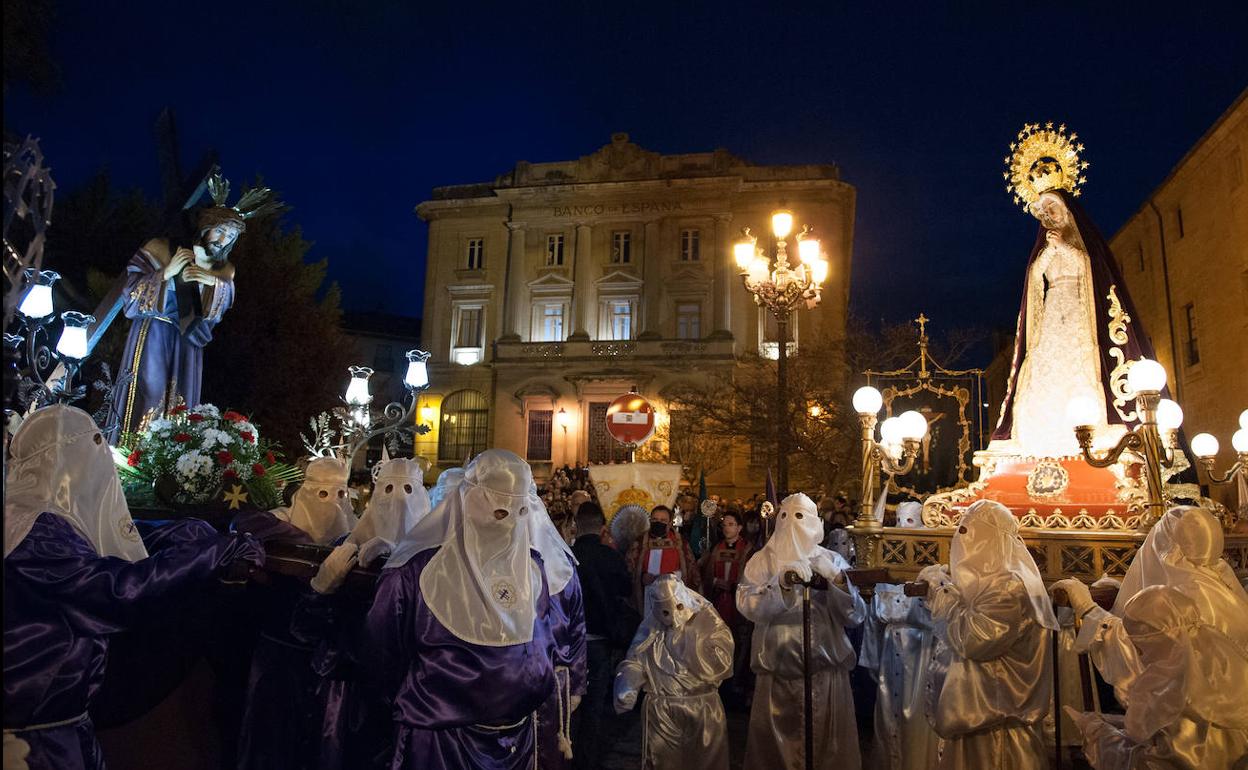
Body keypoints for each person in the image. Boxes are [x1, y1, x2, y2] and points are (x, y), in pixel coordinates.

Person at [3, 404, 264, 769]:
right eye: (95, 447)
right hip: (35, 743)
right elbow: (116, 591)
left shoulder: (28, 513)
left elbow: (114, 532)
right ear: (65, 459)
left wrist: (185, 531)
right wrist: (213, 553)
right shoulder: (39, 529)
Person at [315, 449, 561, 769]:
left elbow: (543, 639)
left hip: (516, 742)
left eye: (521, 510)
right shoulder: (413, 573)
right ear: (466, 501)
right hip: (438, 742)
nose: (510, 523)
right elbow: (380, 657)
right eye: (500, 511)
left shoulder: (534, 568)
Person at [991, 133, 1158, 458]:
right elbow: (1035, 277)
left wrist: (1062, 247)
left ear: (1066, 209)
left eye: (1053, 208)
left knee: (1081, 363)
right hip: (1053, 312)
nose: (1049, 215)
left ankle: (1096, 436)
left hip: (1080, 311)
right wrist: (1048, 254)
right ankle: (1044, 438)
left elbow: (1086, 267)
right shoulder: (1045, 247)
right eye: (1044, 211)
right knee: (1046, 365)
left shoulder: (1083, 244)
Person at [108, 173, 280, 440]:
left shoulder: (224, 270)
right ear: (205, 227)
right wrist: (167, 273)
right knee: (148, 390)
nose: (223, 241)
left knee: (180, 404)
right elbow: (129, 294)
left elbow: (217, 313)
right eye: (220, 231)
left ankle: (167, 458)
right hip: (154, 332)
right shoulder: (161, 248)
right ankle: (131, 448)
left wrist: (213, 283)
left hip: (188, 341)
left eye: (230, 237)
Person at [917, 499, 1057, 770]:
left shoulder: (1008, 587)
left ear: (985, 539)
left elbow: (974, 640)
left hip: (997, 727)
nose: (960, 540)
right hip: (977, 717)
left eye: (967, 532)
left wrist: (942, 593)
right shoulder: (995, 581)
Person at [736, 492, 865, 770]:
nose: (793, 524)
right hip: (778, 672)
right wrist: (779, 584)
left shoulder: (831, 559)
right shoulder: (763, 560)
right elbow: (747, 603)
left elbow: (855, 615)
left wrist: (838, 582)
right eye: (786, 516)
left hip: (825, 672)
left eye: (801, 517)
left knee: (827, 750)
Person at [1059, 584, 1248, 769]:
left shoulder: (1168, 688)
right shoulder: (1228, 666)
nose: (1140, 654)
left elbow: (1152, 761)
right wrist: (1112, 721)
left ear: (1157, 641)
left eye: (1140, 646)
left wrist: (1097, 733)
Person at [614, 575, 733, 770]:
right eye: (665, 613)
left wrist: (688, 645)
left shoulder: (708, 619)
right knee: (664, 762)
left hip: (702, 706)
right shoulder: (651, 626)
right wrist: (627, 684)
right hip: (663, 708)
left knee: (706, 762)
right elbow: (636, 658)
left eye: (678, 608)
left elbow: (722, 661)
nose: (674, 620)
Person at [570, 502, 633, 770]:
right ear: (603, 527)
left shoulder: (566, 555)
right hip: (600, 642)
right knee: (594, 705)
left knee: (568, 705)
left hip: (570, 646)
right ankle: (586, 760)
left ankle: (564, 756)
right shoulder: (610, 556)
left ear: (575, 525)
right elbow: (626, 589)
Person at [858, 583, 940, 770]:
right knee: (889, 719)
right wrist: (873, 659)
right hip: (890, 651)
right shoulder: (884, 578)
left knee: (919, 724)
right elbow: (873, 620)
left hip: (924, 651)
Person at [699, 510, 753, 703]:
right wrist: (715, 581)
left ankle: (737, 684)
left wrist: (734, 585)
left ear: (739, 527)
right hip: (719, 602)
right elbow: (706, 575)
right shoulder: (717, 548)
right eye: (724, 525)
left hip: (737, 603)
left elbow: (751, 577)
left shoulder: (747, 549)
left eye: (731, 524)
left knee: (737, 642)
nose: (727, 528)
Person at [627, 504, 701, 609]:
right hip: (647, 597)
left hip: (673, 598)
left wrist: (668, 577)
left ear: (670, 523)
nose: (658, 523)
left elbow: (691, 572)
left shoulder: (680, 543)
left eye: (663, 520)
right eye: (655, 519)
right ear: (650, 521)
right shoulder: (640, 543)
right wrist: (641, 577)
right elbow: (630, 569)